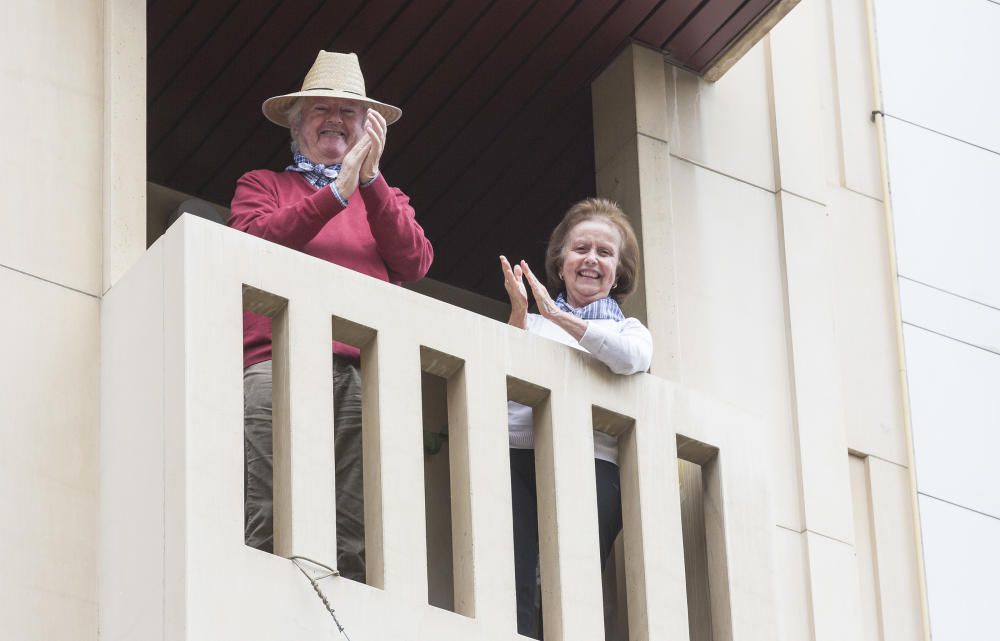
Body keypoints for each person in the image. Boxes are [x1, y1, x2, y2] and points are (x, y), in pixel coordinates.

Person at [229, 51, 433, 582]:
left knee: (352, 530)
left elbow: (415, 260)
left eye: (350, 113)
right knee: (269, 512)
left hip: (362, 372)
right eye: (322, 109)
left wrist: (368, 183)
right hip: (275, 359)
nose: (336, 121)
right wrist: (335, 193)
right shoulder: (263, 184)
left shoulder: (386, 198)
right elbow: (252, 241)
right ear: (297, 124)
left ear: (369, 131)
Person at [499, 198, 652, 639]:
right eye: (581, 248)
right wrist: (519, 313)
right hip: (519, 456)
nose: (591, 259)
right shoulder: (529, 320)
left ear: (618, 271)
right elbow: (502, 382)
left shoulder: (629, 330)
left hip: (595, 466)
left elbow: (630, 359)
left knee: (573, 578)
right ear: (561, 261)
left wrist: (559, 318)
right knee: (516, 572)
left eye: (605, 253)